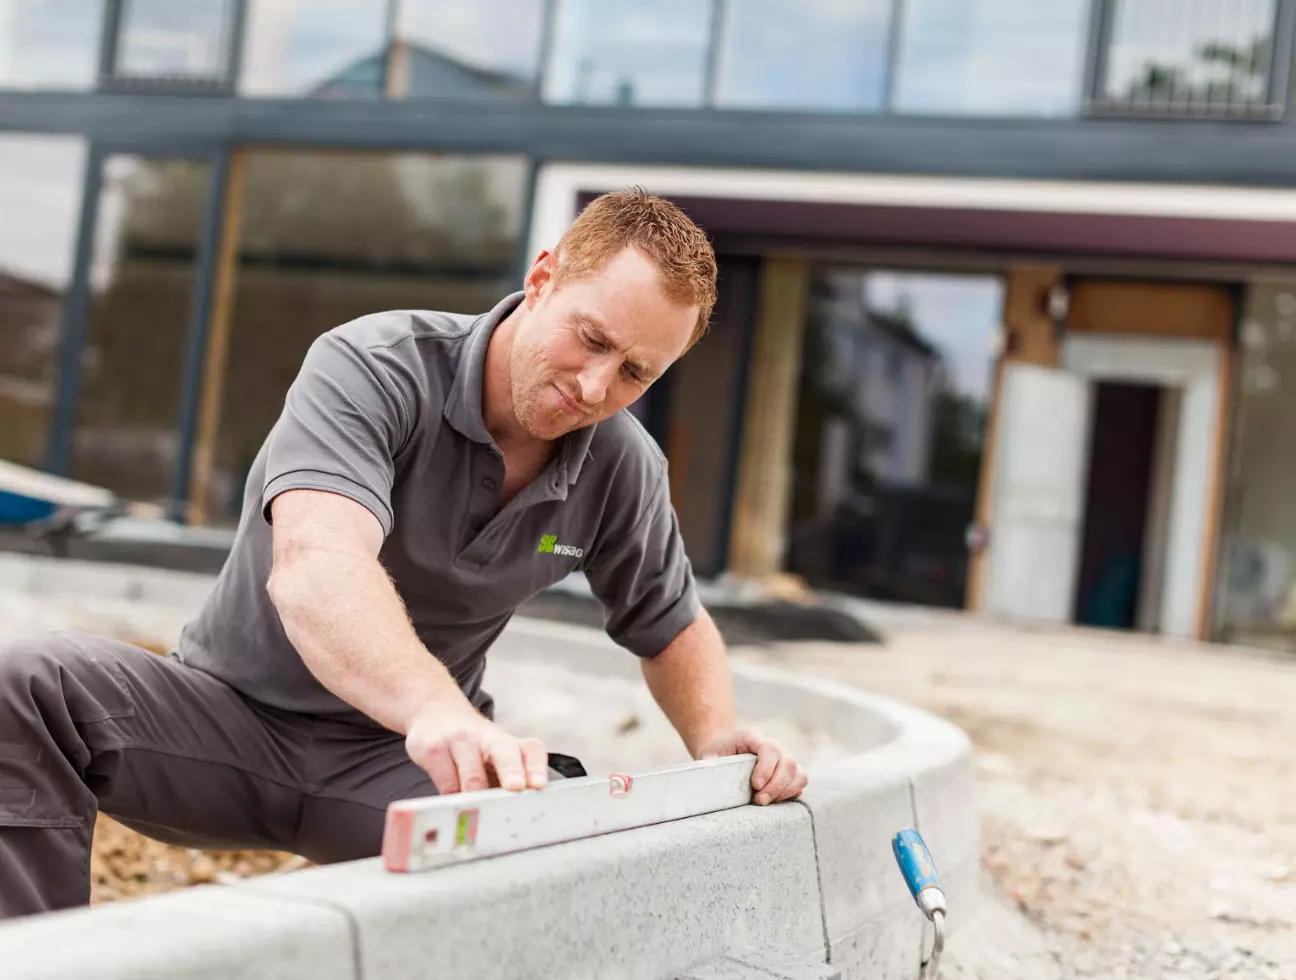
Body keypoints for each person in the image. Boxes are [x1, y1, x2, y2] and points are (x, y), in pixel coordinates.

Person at [0, 189, 807, 919]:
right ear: (542, 279)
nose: (596, 387)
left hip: (405, 776)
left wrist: (716, 739)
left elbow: (671, 625)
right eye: (590, 339)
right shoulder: (372, 368)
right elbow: (318, 566)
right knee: (24, 687)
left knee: (574, 839)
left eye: (636, 371)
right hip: (222, 726)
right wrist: (435, 712)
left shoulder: (621, 465)